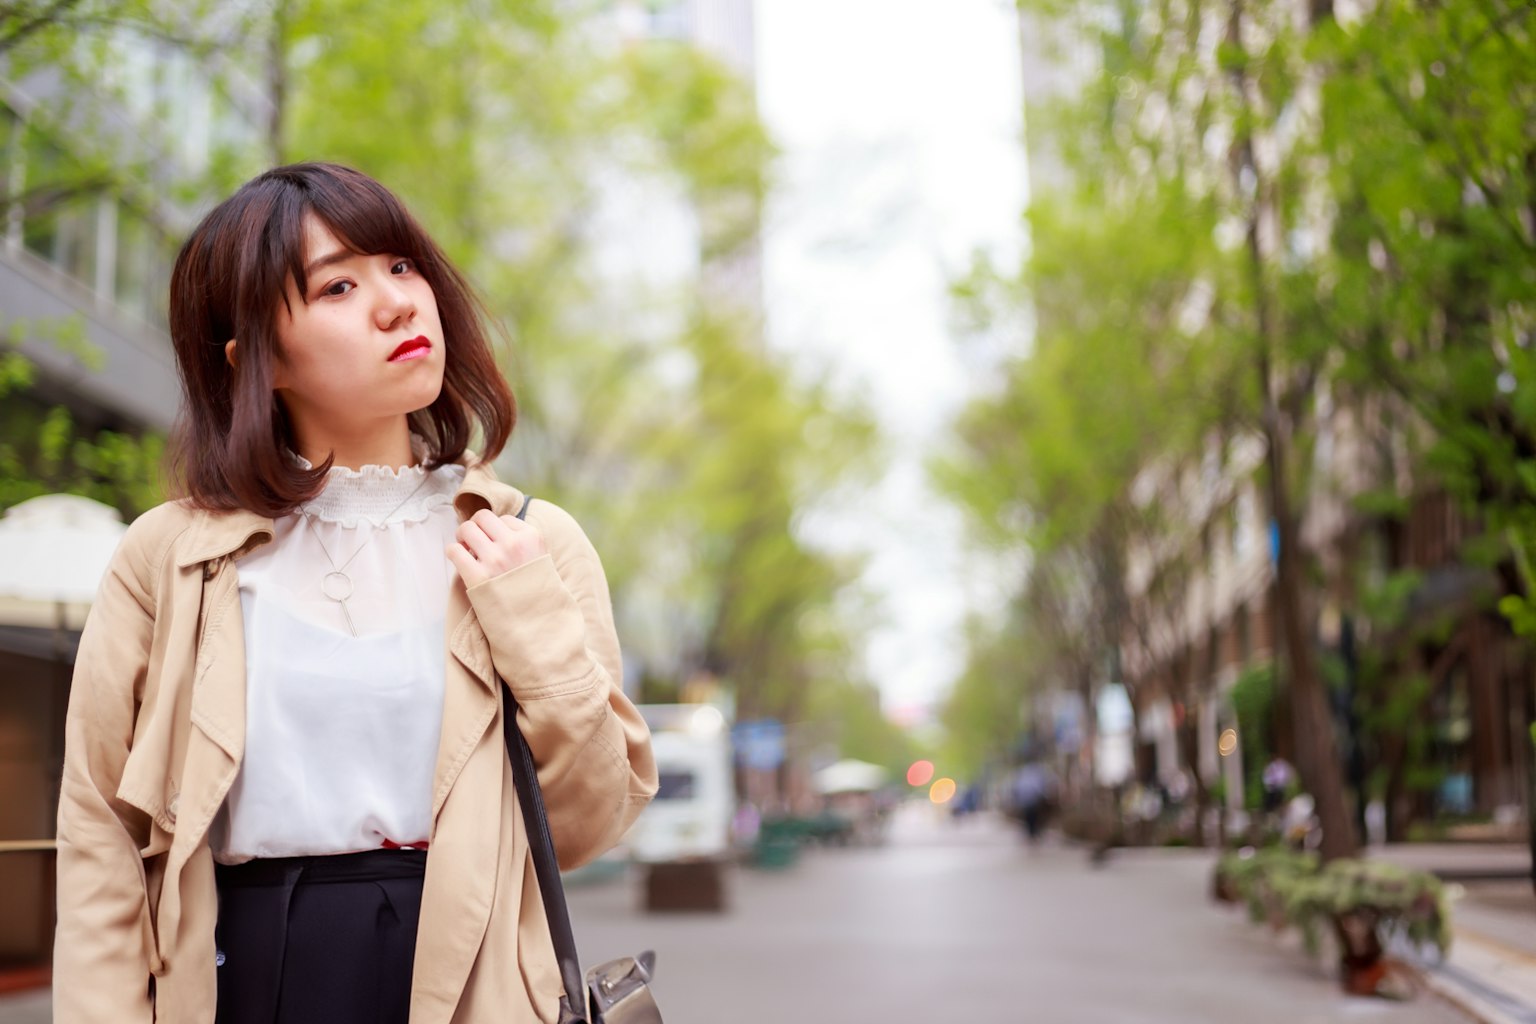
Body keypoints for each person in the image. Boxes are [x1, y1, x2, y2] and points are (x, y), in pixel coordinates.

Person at [52, 162, 658, 1024]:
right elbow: (100, 834)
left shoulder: (526, 539)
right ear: (256, 360)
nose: (397, 303)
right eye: (338, 285)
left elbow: (591, 821)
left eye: (403, 267)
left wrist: (529, 618)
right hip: (243, 975)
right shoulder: (172, 558)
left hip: (473, 975)